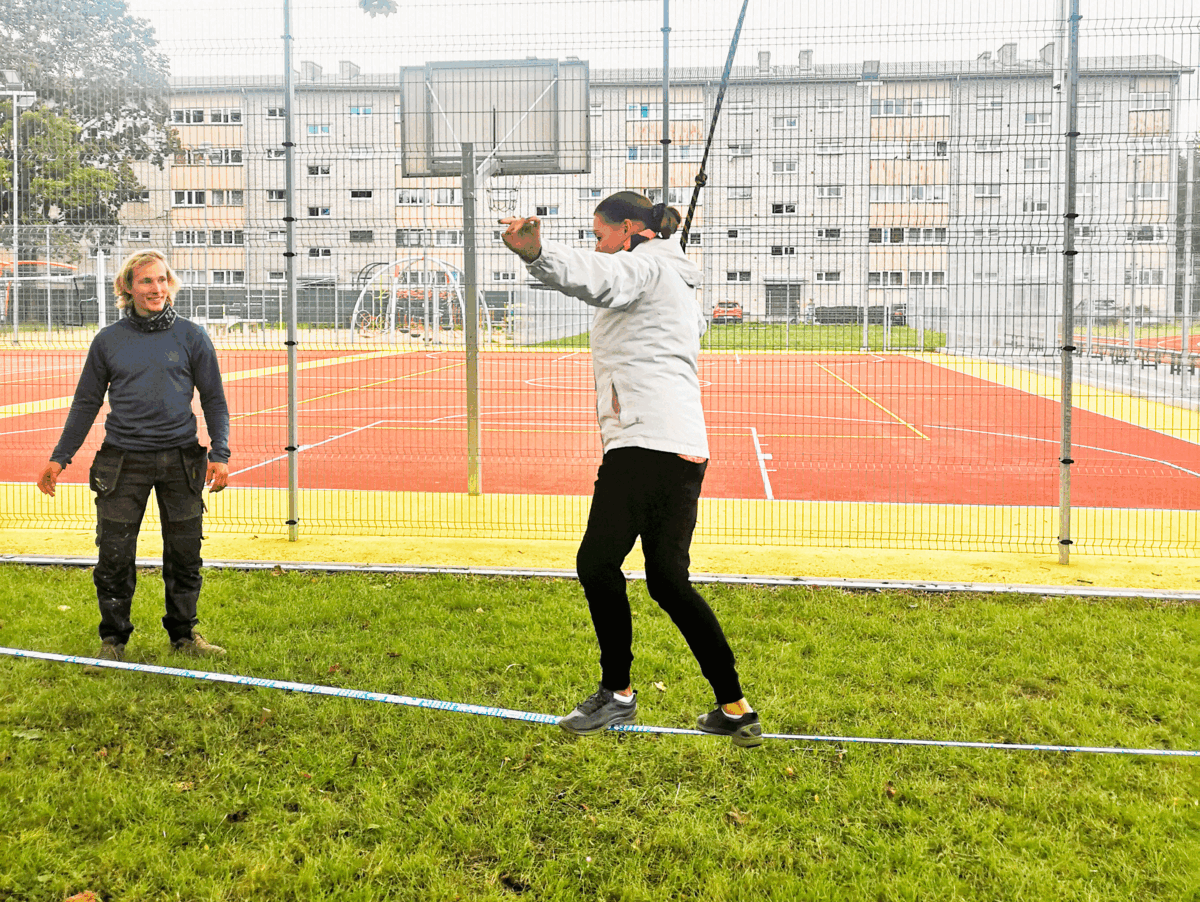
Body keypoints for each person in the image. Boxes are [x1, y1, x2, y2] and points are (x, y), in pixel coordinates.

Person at [501, 192, 762, 748]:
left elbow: (600, 277)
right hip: (683, 448)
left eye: (600, 235)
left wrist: (538, 254)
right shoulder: (675, 280)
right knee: (668, 581)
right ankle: (735, 708)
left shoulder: (642, 267)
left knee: (597, 564)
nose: (598, 245)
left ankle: (617, 694)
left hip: (644, 444)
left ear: (627, 229)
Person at [37, 250, 231, 663]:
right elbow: (86, 403)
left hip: (182, 461)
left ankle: (183, 635)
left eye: (162, 280)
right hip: (123, 462)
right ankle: (113, 640)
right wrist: (60, 457)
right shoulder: (108, 341)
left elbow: (214, 399)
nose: (157, 289)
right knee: (114, 555)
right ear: (127, 286)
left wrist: (220, 452)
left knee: (185, 554)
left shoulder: (192, 336)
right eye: (146, 281)